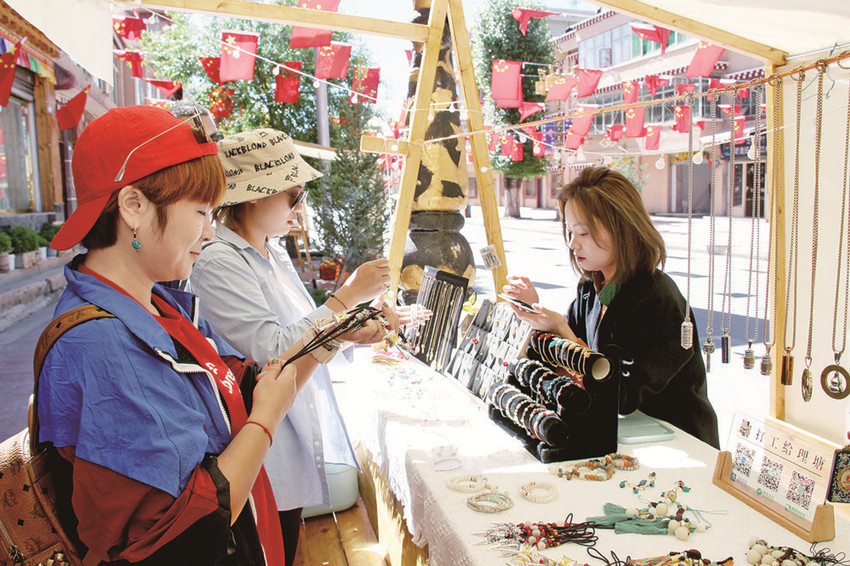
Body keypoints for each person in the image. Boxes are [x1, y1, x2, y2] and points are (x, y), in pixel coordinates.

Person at [38, 106, 391, 565]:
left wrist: (335, 334)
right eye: (202, 211)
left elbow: (248, 380)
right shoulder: (102, 345)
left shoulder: (159, 304)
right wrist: (266, 420)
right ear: (133, 206)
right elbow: (190, 531)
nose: (209, 232)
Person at [190, 128, 393, 566]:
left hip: (288, 431)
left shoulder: (271, 252)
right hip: (257, 445)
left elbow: (304, 331)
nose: (299, 207)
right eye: (292, 195)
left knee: (286, 543)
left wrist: (349, 329)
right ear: (254, 195)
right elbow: (275, 351)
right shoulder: (217, 260)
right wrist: (347, 297)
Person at [502, 166, 720, 448]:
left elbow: (622, 397)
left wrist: (561, 329)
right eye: (570, 232)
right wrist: (535, 311)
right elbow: (563, 361)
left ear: (621, 229)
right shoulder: (590, 288)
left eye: (583, 233)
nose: (573, 244)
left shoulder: (659, 301)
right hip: (619, 436)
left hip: (678, 443)